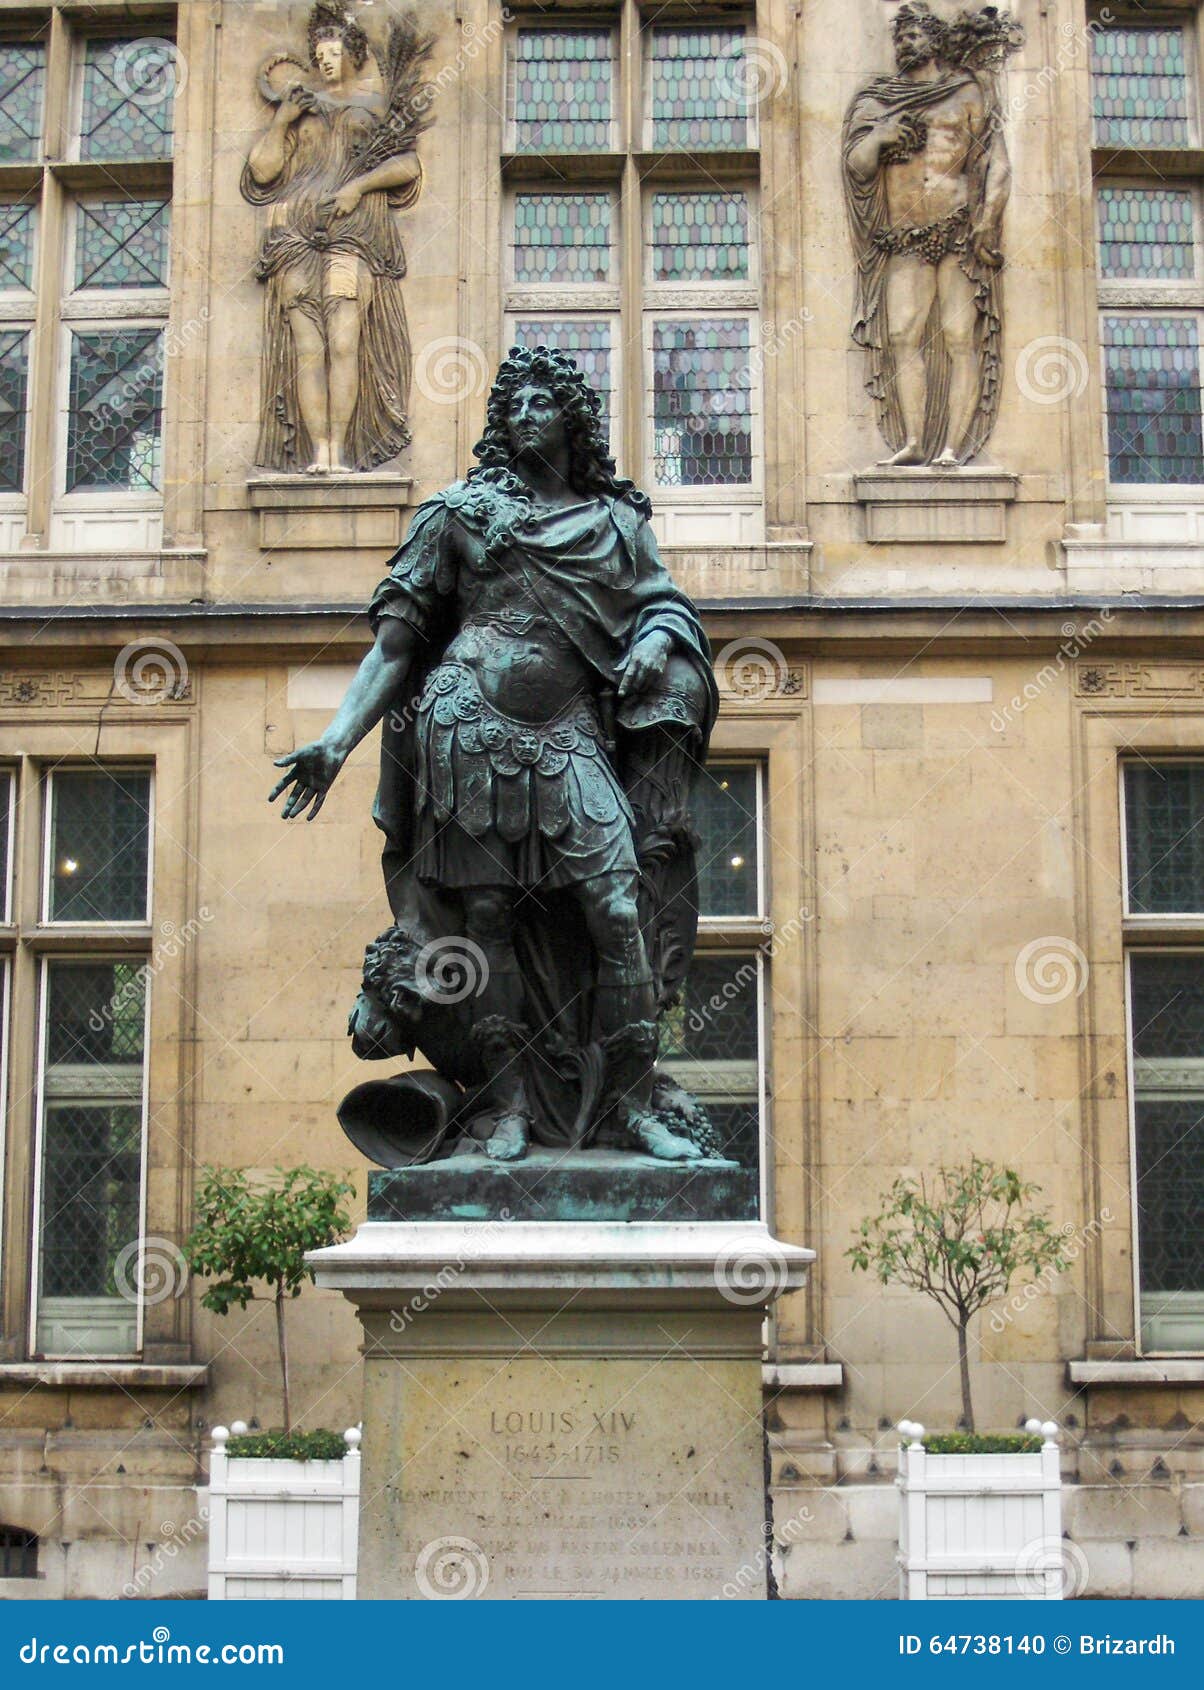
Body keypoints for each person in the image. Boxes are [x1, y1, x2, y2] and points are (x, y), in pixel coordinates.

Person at [270, 346, 719, 1163]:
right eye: (511, 403)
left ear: (573, 418)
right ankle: (509, 1105)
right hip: (464, 729)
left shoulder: (616, 525)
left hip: (570, 736)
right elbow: (395, 646)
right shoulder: (456, 514)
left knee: (619, 912)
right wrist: (336, 741)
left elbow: (665, 605)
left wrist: (656, 639)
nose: (523, 413)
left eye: (541, 401)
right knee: (486, 927)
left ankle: (630, 1104)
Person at [241, 3, 424, 473]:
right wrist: (282, 119)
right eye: (318, 52)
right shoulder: (297, 111)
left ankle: (340, 450)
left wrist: (356, 187)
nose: (324, 60)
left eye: (333, 51)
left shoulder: (372, 110)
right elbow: (262, 171)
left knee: (344, 343)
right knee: (307, 351)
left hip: (351, 237)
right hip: (295, 239)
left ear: (352, 53)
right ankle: (318, 452)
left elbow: (408, 166)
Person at [842, 2, 1018, 466]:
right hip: (904, 236)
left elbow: (994, 161)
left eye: (913, 35)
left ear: (934, 39)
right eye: (899, 37)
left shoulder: (968, 94)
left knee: (961, 335)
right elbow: (855, 167)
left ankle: (953, 448)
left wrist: (987, 219)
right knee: (902, 333)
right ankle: (915, 441)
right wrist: (881, 137)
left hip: (958, 227)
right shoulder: (879, 100)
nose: (904, 43)